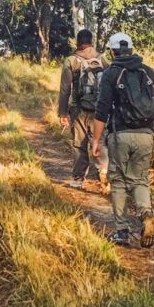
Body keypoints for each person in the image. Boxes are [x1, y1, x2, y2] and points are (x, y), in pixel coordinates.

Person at [90, 32, 154, 249]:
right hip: (146, 134)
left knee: (118, 181)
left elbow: (102, 110)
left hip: (120, 135)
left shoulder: (111, 73)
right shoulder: (148, 71)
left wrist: (96, 140)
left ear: (112, 51)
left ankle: (122, 231)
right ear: (132, 49)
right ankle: (145, 212)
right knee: (140, 180)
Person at [57, 29, 109, 192]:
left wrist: (63, 113)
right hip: (100, 111)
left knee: (79, 144)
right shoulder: (103, 59)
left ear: (77, 43)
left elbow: (65, 89)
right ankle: (105, 174)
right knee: (100, 141)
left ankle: (78, 179)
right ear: (91, 42)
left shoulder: (71, 60)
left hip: (78, 109)